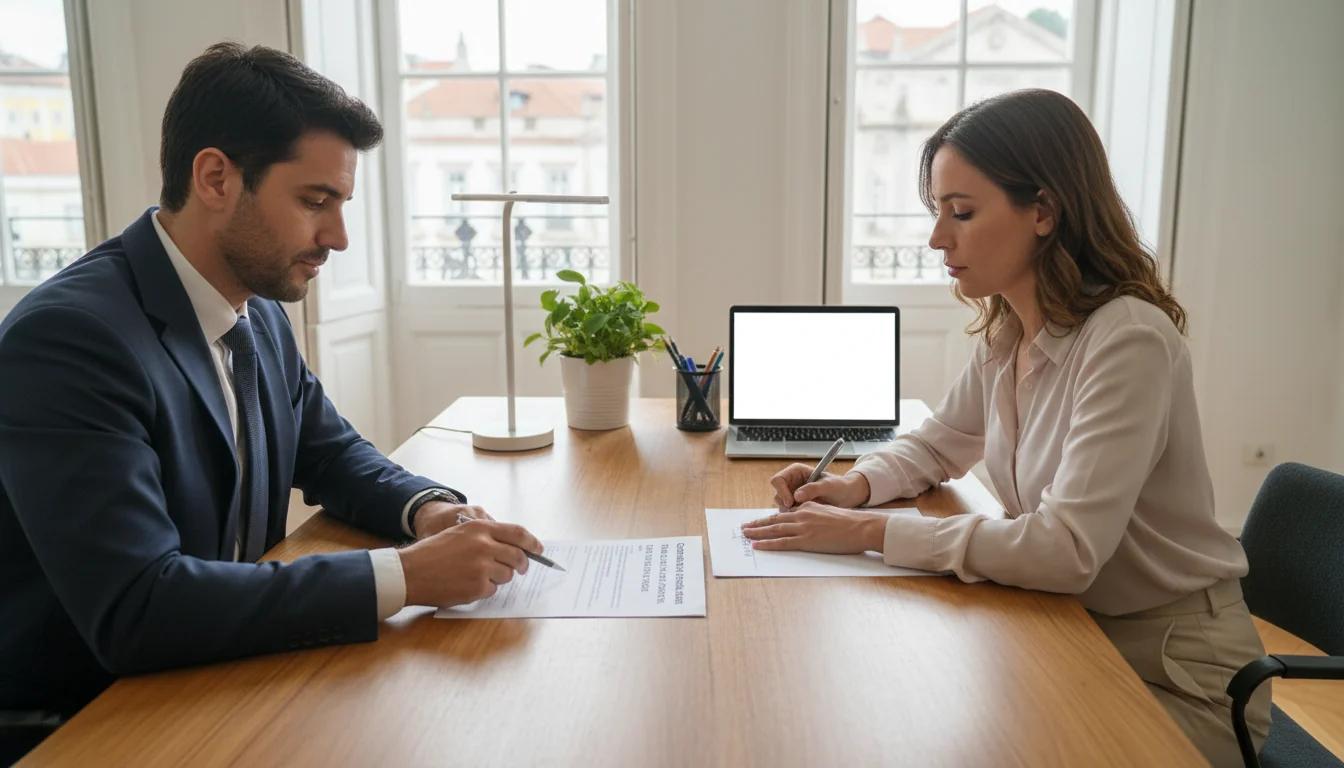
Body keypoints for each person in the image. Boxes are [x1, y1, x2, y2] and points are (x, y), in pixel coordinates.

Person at [0, 43, 543, 763]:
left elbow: (330, 452)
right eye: (315, 202)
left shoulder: (254, 309)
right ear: (216, 178)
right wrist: (407, 575)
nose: (338, 238)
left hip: (222, 672)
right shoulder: (69, 340)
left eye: (341, 205)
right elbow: (138, 606)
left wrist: (430, 511)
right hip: (91, 720)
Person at [744, 89, 1270, 766]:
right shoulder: (1010, 330)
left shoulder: (1128, 340)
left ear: (1044, 211)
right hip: (1069, 632)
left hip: (1174, 677)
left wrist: (869, 533)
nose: (938, 238)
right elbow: (938, 442)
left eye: (961, 212)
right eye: (937, 212)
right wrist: (855, 486)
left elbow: (1066, 549)